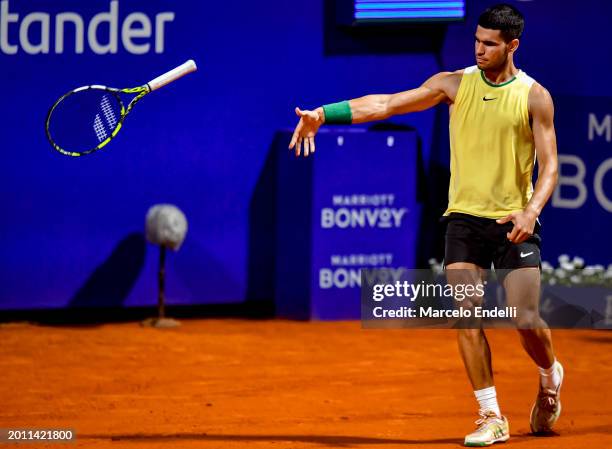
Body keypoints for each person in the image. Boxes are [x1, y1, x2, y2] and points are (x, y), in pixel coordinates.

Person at [288, 3, 563, 446]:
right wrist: (324, 113)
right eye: (476, 40)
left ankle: (550, 380)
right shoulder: (453, 85)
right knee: (466, 317)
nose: (479, 49)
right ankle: (491, 416)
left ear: (512, 45)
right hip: (463, 219)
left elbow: (550, 166)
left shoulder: (534, 95)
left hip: (514, 220)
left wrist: (530, 211)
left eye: (490, 44)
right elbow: (386, 104)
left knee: (525, 318)